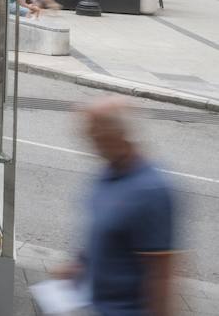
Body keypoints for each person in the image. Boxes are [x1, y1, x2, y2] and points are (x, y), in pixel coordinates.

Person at [53, 97, 176, 316]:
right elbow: (105, 232)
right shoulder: (106, 175)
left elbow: (160, 274)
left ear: (117, 134)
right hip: (98, 307)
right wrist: (79, 265)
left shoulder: (151, 190)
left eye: (94, 133)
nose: (89, 140)